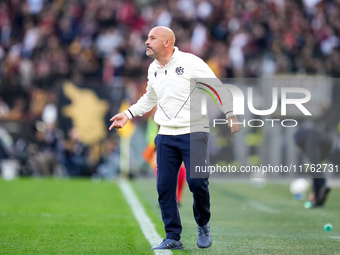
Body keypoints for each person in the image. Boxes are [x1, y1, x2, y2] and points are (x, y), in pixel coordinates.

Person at [109, 26, 241, 250]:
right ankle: (172, 236)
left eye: (152, 38)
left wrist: (230, 113)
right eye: (147, 37)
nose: (146, 42)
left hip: (195, 132)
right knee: (164, 187)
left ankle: (203, 224)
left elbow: (217, 88)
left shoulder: (191, 62)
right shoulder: (154, 69)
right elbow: (149, 98)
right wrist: (128, 114)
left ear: (167, 42)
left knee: (197, 182)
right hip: (166, 135)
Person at [294, 125, 332, 207]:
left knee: (315, 166)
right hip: (326, 140)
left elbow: (301, 150)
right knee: (316, 167)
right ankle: (318, 195)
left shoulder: (298, 138)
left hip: (314, 138)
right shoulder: (306, 133)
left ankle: (320, 189)